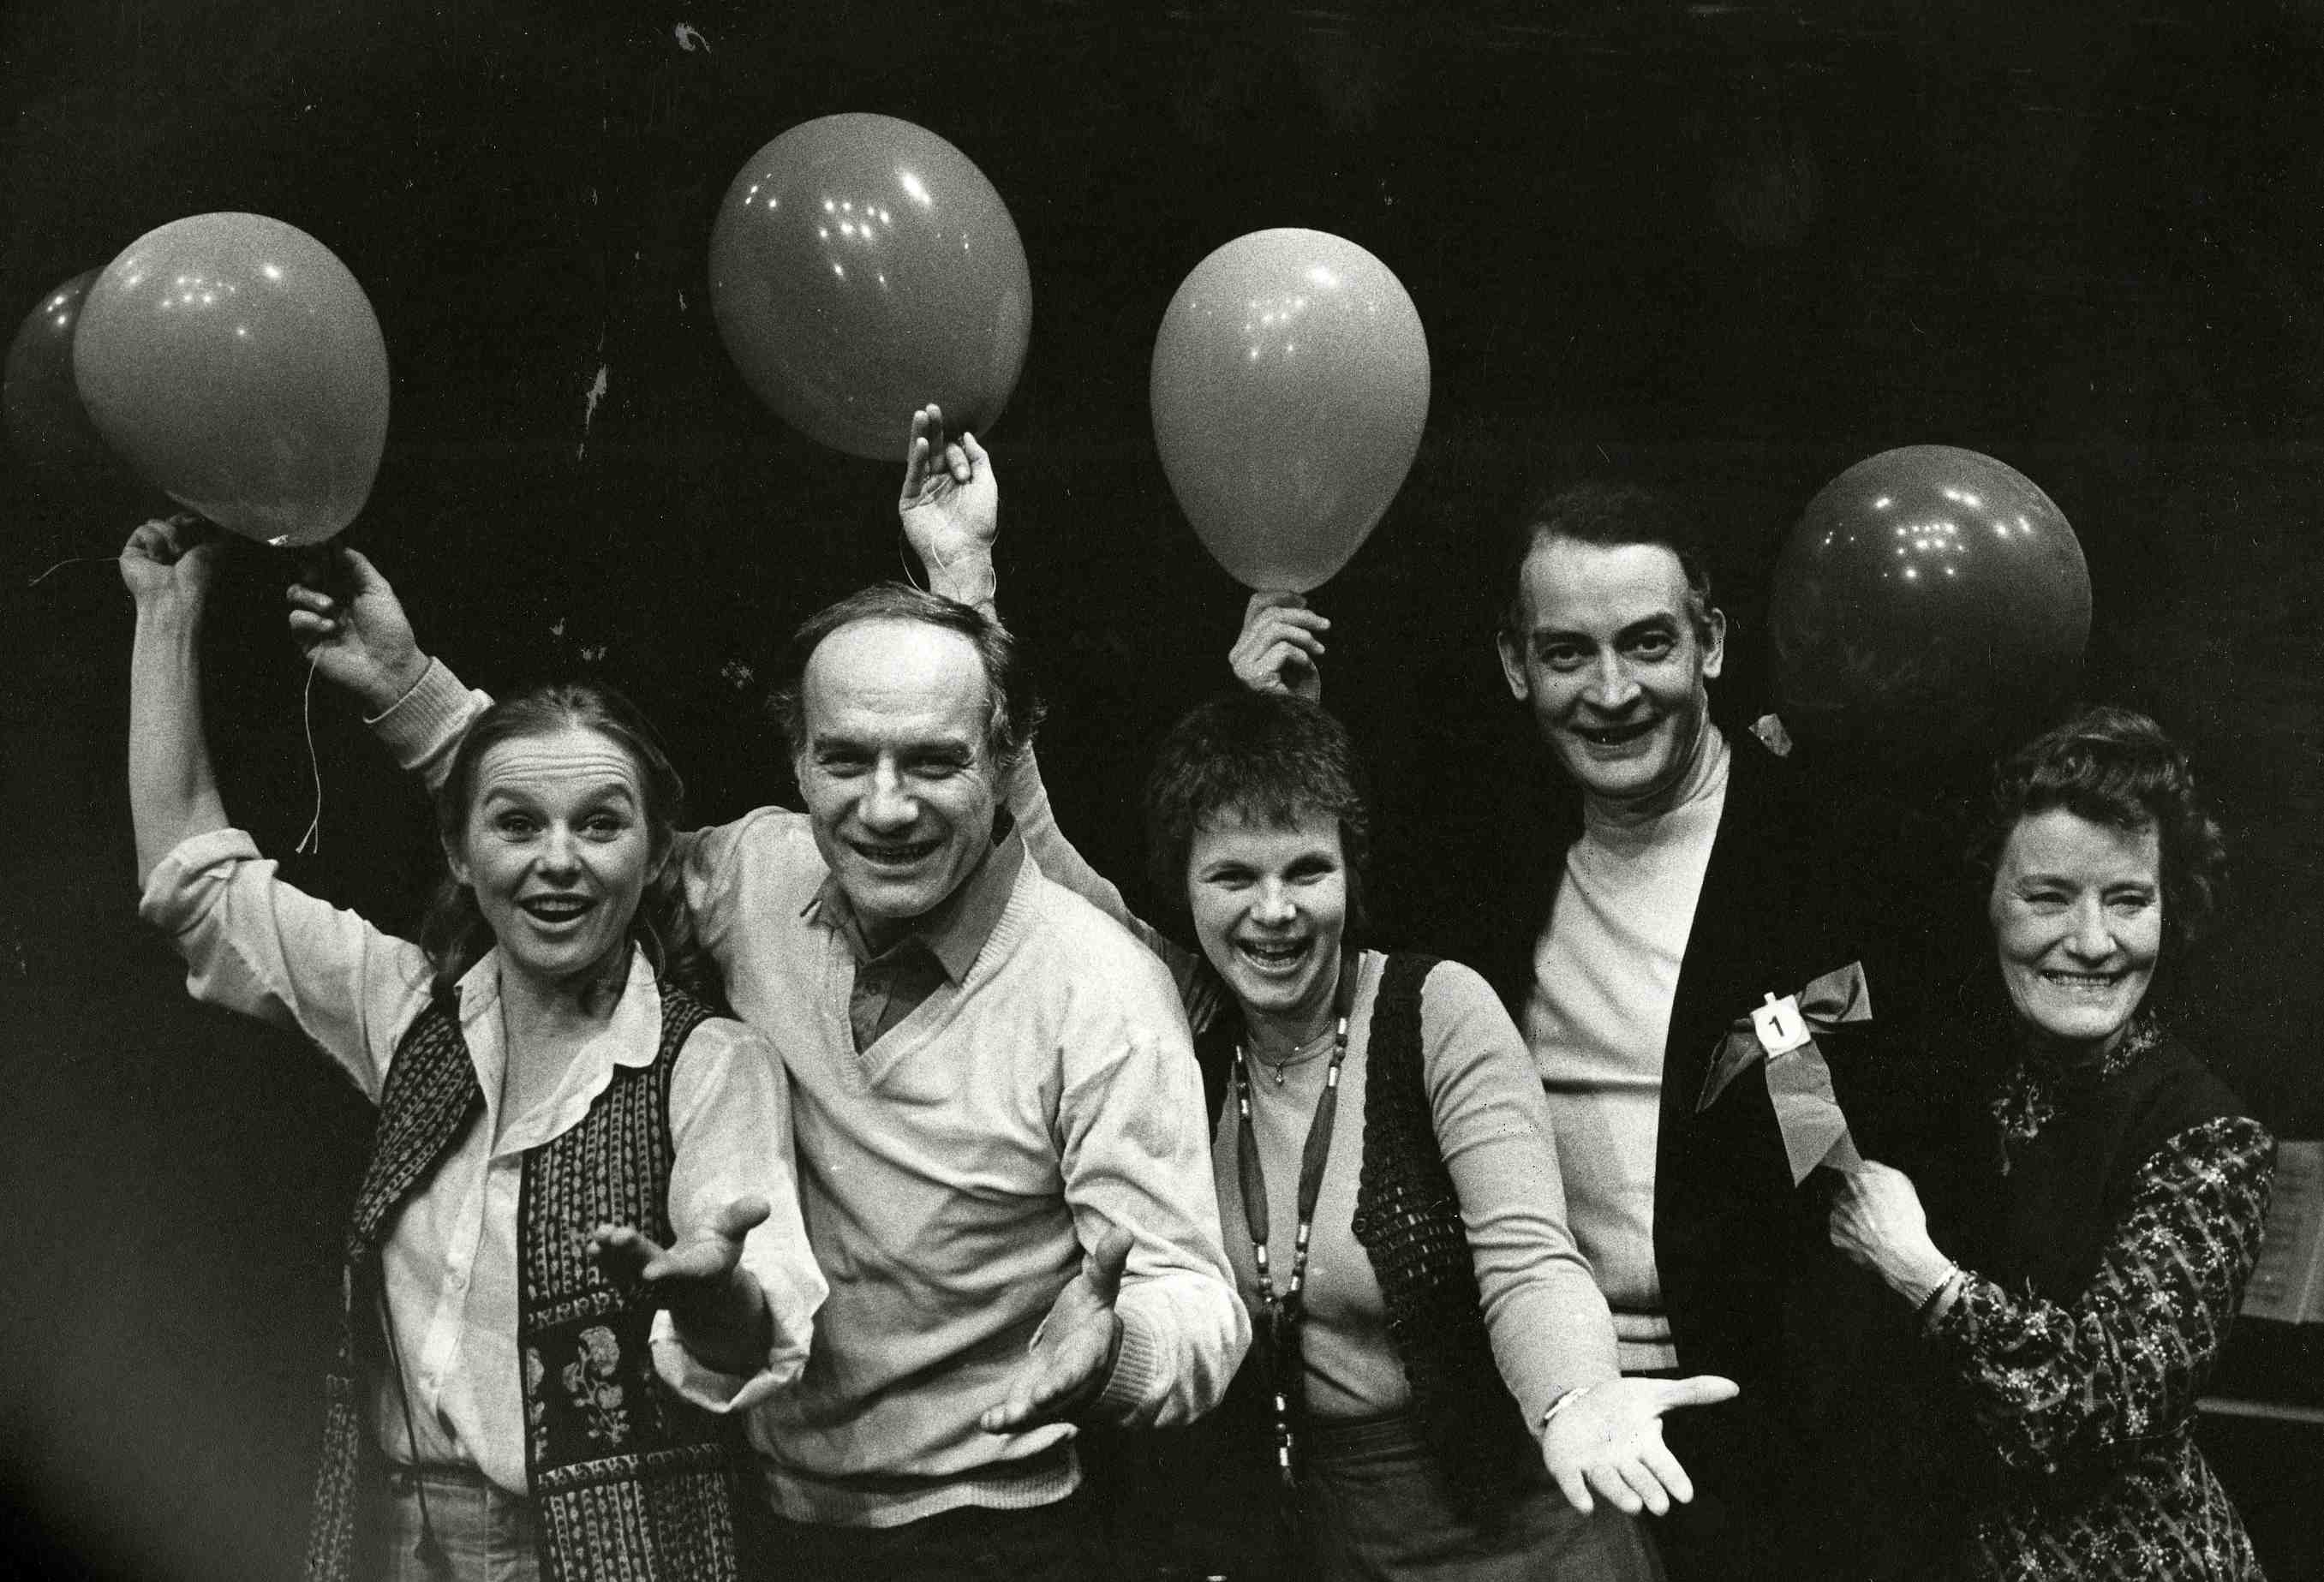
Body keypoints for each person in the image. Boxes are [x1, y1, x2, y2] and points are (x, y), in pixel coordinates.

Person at [285, 414, 1246, 1581]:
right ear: (797, 760)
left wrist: (1116, 1351)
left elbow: (1197, 1296)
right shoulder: (757, 871)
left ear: (1000, 762)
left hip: (998, 1533)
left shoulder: (1101, 987)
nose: (884, 806)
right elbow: (583, 839)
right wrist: (406, 687)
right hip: (762, 1519)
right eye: (845, 758)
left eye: (933, 760)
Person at [903, 439, 1737, 1579]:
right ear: (1184, 892)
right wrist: (963, 579)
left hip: (1522, 1525)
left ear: (1351, 872)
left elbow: (1528, 1260)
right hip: (1331, 1538)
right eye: (1232, 877)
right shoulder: (1181, 1014)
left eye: (1307, 870)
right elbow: (1030, 848)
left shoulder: (1437, 1010)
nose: (1274, 912)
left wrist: (1577, 1396)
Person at [122, 516, 826, 1582]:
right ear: (459, 849)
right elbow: (195, 883)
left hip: (601, 1555)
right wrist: (167, 614)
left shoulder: (709, 1062)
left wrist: (712, 1296)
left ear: (653, 853)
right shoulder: (411, 1012)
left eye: (600, 824)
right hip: (389, 1534)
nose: (559, 861)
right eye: (517, 824)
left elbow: (757, 1322)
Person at [1346, 480, 1951, 1580]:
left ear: (1710, 641)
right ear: (1514, 664)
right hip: (1528, 1436)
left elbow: (1872, 1159)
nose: (1612, 690)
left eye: (1647, 642)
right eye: (1567, 652)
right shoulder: (1481, 854)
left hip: (1765, 1451)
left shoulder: (1834, 859)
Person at [1828, 706, 2275, 1579]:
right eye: (2047, 897)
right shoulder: (1958, 1075)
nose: (2093, 941)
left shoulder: (2211, 1139)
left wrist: (1918, 1270)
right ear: (1989, 901)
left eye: (2128, 899)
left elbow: (2094, 1407)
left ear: (2170, 910)